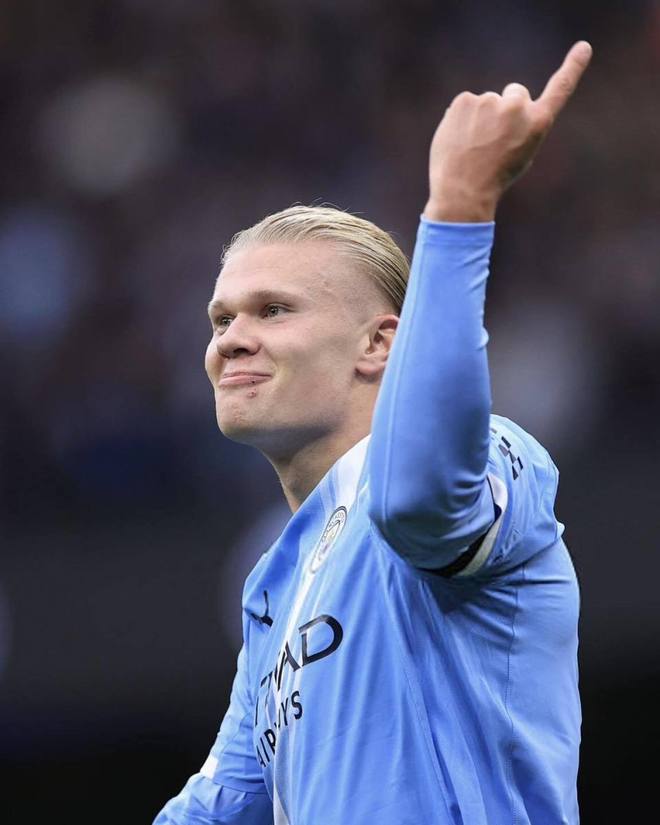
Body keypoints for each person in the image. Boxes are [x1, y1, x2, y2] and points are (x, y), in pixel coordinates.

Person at [154, 41, 592, 825]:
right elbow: (211, 810)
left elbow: (418, 501)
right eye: (221, 319)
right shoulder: (275, 586)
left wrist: (459, 205)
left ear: (379, 343)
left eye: (272, 310)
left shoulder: (496, 457)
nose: (230, 340)